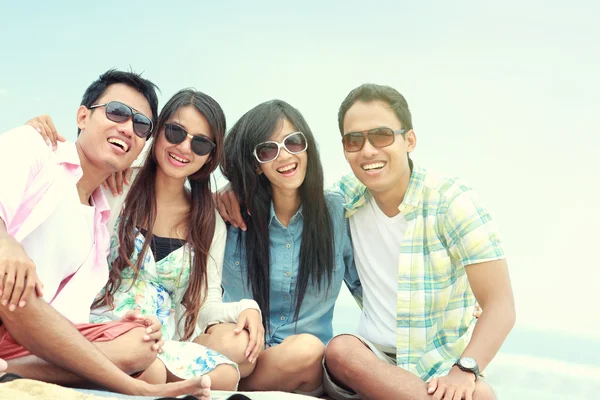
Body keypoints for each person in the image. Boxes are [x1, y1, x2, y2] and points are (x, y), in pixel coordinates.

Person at [0, 69, 210, 398]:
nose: (127, 127)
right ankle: (134, 389)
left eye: (140, 125)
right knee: (15, 276)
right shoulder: (37, 147)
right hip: (9, 298)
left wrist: (117, 324)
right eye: (116, 112)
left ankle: (10, 370)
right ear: (82, 115)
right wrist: (5, 244)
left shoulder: (101, 221)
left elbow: (64, 320)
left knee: (141, 345)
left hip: (25, 335)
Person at [320, 84, 516, 400]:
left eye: (381, 136)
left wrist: (464, 370)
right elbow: (285, 200)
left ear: (409, 140)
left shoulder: (453, 201)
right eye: (354, 140)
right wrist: (232, 193)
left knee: (480, 395)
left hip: (441, 365)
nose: (368, 150)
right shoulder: (341, 201)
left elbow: (501, 305)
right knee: (341, 350)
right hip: (374, 361)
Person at [207, 100, 359, 396]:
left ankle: (224, 389)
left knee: (307, 350)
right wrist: (218, 195)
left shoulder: (337, 215)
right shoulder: (228, 215)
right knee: (235, 341)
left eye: (293, 142)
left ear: (307, 146)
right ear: (255, 165)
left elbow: (369, 290)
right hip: (238, 353)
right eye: (268, 150)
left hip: (298, 368)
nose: (285, 155)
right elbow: (169, 188)